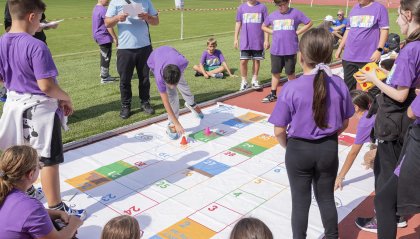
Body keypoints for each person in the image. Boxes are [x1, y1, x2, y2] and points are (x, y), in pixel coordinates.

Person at [0, 0, 86, 219]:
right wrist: (66, 98)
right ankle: (56, 208)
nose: (41, 23)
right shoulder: (36, 45)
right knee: (48, 160)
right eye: (40, 18)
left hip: (13, 107)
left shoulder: (2, 41)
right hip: (40, 111)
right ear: (31, 17)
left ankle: (26, 190)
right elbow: (46, 86)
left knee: (21, 154)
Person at [269, 28, 354, 238]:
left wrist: (289, 146)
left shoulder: (291, 88)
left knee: (300, 202)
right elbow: (345, 122)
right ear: (327, 55)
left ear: (301, 56)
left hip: (298, 149)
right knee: (326, 197)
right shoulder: (339, 83)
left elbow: (279, 130)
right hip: (328, 147)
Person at [356, 0, 420, 236]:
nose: (396, 21)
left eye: (398, 15)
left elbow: (401, 94)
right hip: (404, 120)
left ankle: (389, 218)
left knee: (387, 182)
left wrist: (375, 81)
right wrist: (385, 74)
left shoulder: (411, 49)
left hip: (394, 121)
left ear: (408, 14)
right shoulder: (415, 46)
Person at [0, 145, 83, 238]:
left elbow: (22, 215)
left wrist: (57, 213)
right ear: (31, 174)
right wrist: (74, 223)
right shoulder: (30, 206)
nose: (40, 167)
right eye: (39, 166)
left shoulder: (5, 192)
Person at [105, 0, 159, 119]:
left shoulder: (146, 1)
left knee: (145, 78)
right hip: (125, 49)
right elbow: (107, 23)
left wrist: (147, 17)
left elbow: (156, 21)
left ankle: (145, 103)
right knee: (124, 80)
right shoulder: (115, 2)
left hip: (144, 47)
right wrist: (118, 18)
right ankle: (126, 105)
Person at [147, 46, 204, 140]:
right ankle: (172, 122)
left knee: (183, 85)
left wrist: (177, 81)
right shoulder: (159, 77)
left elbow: (176, 54)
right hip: (154, 59)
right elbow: (166, 102)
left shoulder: (183, 63)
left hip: (172, 57)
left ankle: (192, 104)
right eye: (169, 84)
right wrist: (177, 123)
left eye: (174, 83)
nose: (172, 86)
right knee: (172, 95)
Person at [261, 0, 312, 103]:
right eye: (278, 5)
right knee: (275, 72)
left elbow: (309, 22)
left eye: (283, 4)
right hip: (276, 50)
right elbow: (263, 26)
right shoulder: (273, 15)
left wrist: (298, 32)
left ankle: (294, 94)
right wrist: (272, 32)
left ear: (288, 3)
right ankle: (273, 94)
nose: (280, 7)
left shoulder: (295, 13)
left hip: (290, 49)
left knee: (290, 73)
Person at [335, 0, 389, 98]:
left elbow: (384, 30)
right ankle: (351, 111)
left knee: (373, 89)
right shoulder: (354, 9)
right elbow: (348, 30)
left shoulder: (380, 8)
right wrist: (340, 47)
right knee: (349, 88)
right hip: (349, 56)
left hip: (369, 57)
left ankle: (371, 112)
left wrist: (379, 50)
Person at [335, 90, 375, 190]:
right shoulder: (373, 111)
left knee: (368, 158)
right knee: (370, 157)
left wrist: (340, 176)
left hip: (400, 147)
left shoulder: (364, 123)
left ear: (356, 107)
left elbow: (353, 153)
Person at [234, 0, 269, 91]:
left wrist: (266, 39)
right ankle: (244, 82)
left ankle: (254, 80)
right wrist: (235, 38)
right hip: (245, 40)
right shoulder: (241, 7)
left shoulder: (262, 7)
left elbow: (266, 24)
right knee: (243, 61)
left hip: (258, 40)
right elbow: (238, 23)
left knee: (256, 60)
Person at [92, 0, 118, 84]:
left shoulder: (96, 8)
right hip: (103, 36)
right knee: (106, 57)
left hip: (99, 35)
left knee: (105, 56)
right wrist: (114, 38)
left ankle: (105, 75)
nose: (108, 1)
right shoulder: (103, 10)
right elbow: (108, 26)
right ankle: (104, 78)